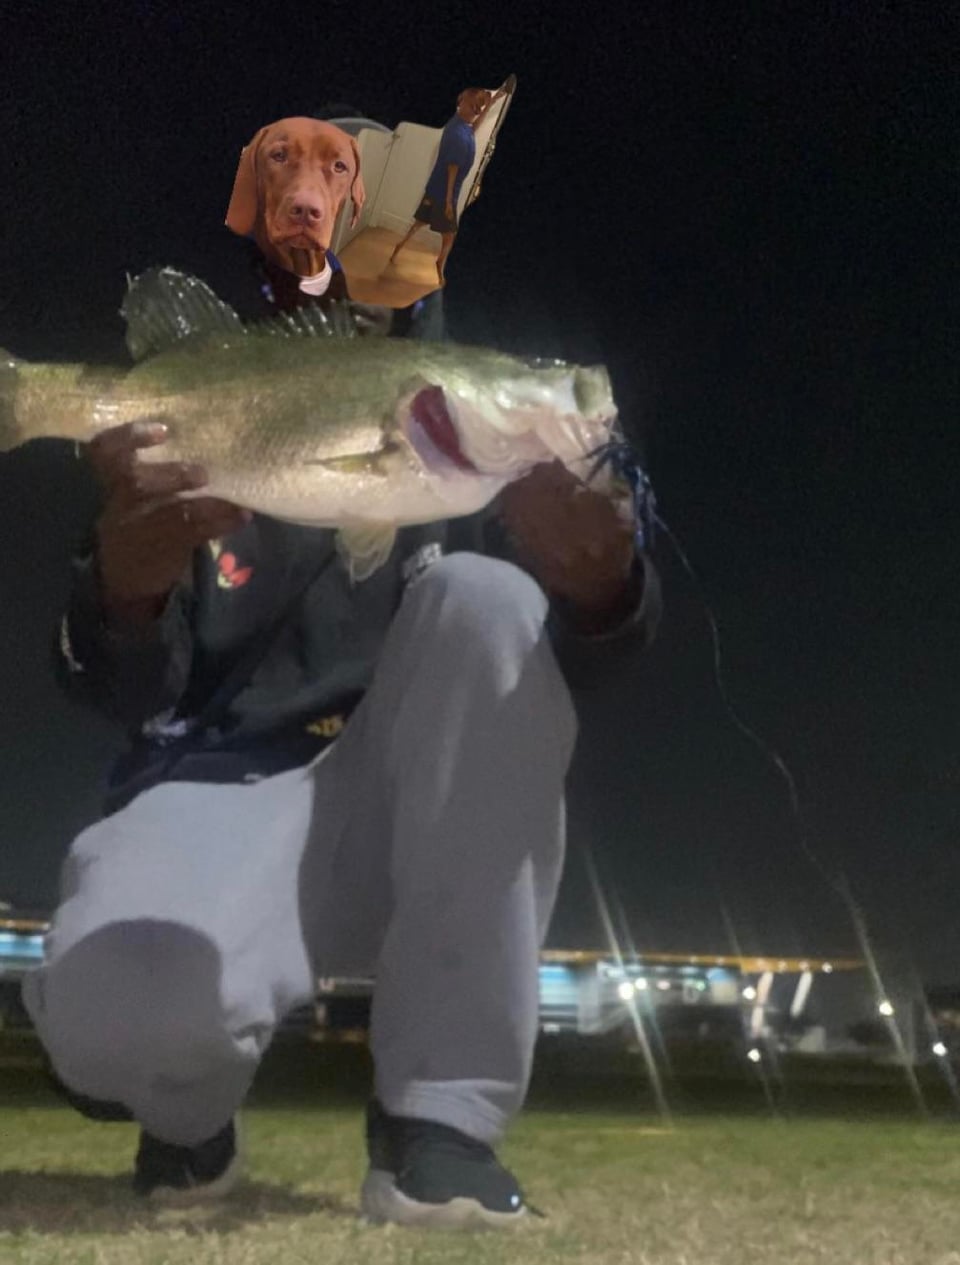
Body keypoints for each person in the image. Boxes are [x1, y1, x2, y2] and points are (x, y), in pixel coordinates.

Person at [22, 141, 661, 1236]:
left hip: (415, 816)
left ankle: (440, 1124)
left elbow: (568, 671)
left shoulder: (492, 460)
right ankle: (184, 1113)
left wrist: (605, 585)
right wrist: (124, 587)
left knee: (491, 601)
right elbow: (115, 685)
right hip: (221, 793)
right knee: (113, 1015)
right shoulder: (211, 418)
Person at [388, 85, 504, 286]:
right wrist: (449, 202)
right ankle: (440, 263)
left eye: (477, 108)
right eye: (473, 106)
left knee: (420, 221)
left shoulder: (460, 125)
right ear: (463, 104)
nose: (476, 111)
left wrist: (491, 103)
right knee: (450, 234)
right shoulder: (458, 133)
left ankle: (401, 245)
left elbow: (474, 127)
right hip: (445, 193)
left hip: (435, 188)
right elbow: (452, 169)